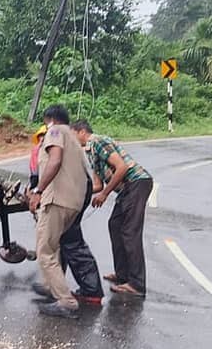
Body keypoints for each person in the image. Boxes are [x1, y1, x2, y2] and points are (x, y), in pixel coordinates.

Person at [28, 105, 103, 319]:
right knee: (56, 245)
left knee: (45, 250)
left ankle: (66, 301)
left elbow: (55, 160)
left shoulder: (55, 131)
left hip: (57, 201)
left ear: (50, 120)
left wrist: (38, 191)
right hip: (74, 203)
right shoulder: (74, 139)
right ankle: (51, 285)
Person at [80, 120, 153, 298]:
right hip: (125, 189)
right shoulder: (90, 152)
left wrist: (105, 194)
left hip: (136, 183)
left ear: (81, 132)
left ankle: (136, 283)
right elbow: (96, 185)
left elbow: (122, 167)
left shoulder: (97, 141)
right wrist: (77, 193)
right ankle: (122, 276)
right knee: (115, 225)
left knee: (129, 232)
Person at [29, 124, 48, 190]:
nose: (42, 138)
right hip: (36, 173)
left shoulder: (46, 148)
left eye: (43, 135)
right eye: (41, 136)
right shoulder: (37, 148)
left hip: (41, 173)